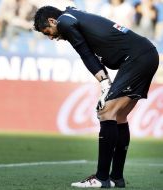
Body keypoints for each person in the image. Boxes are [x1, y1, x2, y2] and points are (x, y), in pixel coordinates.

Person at [33, 6, 159, 188]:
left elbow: (86, 54)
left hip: (137, 58)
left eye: (48, 32)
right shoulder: (72, 16)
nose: (52, 37)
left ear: (53, 21)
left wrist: (105, 83)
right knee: (119, 116)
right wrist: (105, 82)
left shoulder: (65, 22)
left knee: (106, 112)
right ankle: (116, 178)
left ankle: (101, 178)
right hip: (146, 53)